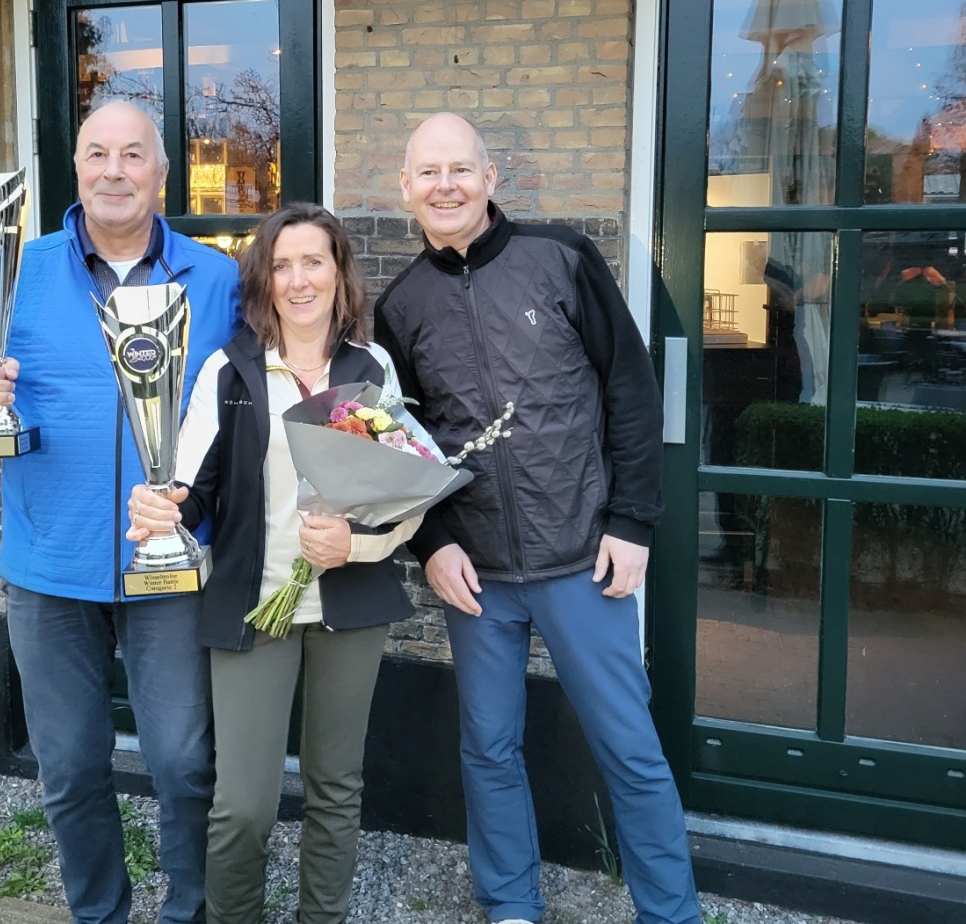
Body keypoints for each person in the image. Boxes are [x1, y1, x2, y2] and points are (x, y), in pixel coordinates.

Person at [373, 113, 702, 924]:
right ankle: (512, 903)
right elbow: (400, 444)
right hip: (477, 572)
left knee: (628, 746)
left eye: (460, 168)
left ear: (491, 177)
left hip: (583, 557)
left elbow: (630, 387)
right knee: (488, 749)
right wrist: (433, 543)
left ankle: (670, 912)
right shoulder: (401, 306)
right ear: (405, 187)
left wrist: (633, 520)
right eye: (428, 172)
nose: (445, 185)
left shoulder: (561, 257)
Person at [0, 100, 242, 924]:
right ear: (75, 168)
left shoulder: (216, 279)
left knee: (184, 764)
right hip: (50, 567)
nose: (114, 170)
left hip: (170, 564)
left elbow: (254, 405)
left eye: (133, 154)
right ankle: (100, 913)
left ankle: (188, 912)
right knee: (69, 767)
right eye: (97, 152)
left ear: (162, 173)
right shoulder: (17, 269)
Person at [126, 202, 420, 924]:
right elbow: (194, 488)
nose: (298, 279)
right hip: (256, 605)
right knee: (243, 804)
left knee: (335, 789)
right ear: (264, 280)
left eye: (313, 261)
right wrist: (164, 506)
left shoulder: (372, 367)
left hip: (349, 603)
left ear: (339, 273)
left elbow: (403, 488)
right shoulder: (230, 370)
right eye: (282, 265)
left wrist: (357, 543)